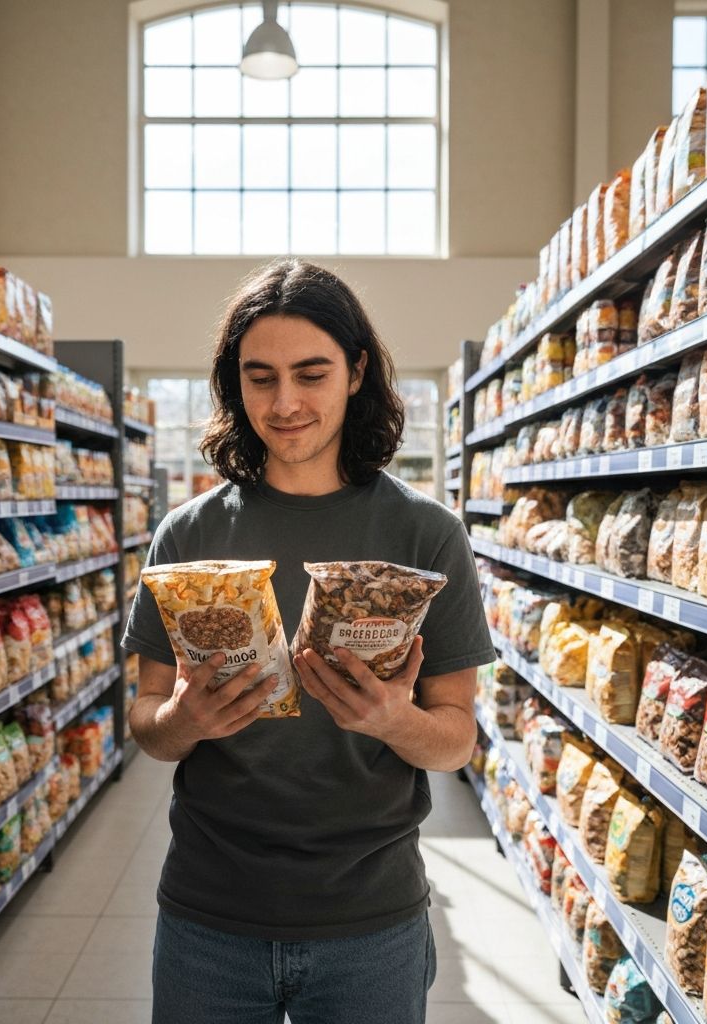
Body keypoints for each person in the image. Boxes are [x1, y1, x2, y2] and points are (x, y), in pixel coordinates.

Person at [122, 259, 495, 1024]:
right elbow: (147, 718)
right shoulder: (187, 535)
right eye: (259, 377)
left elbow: (457, 739)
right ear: (235, 385)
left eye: (311, 373)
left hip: (372, 919)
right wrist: (183, 724)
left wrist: (394, 722)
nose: (285, 402)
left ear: (357, 372)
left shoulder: (426, 534)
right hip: (208, 914)